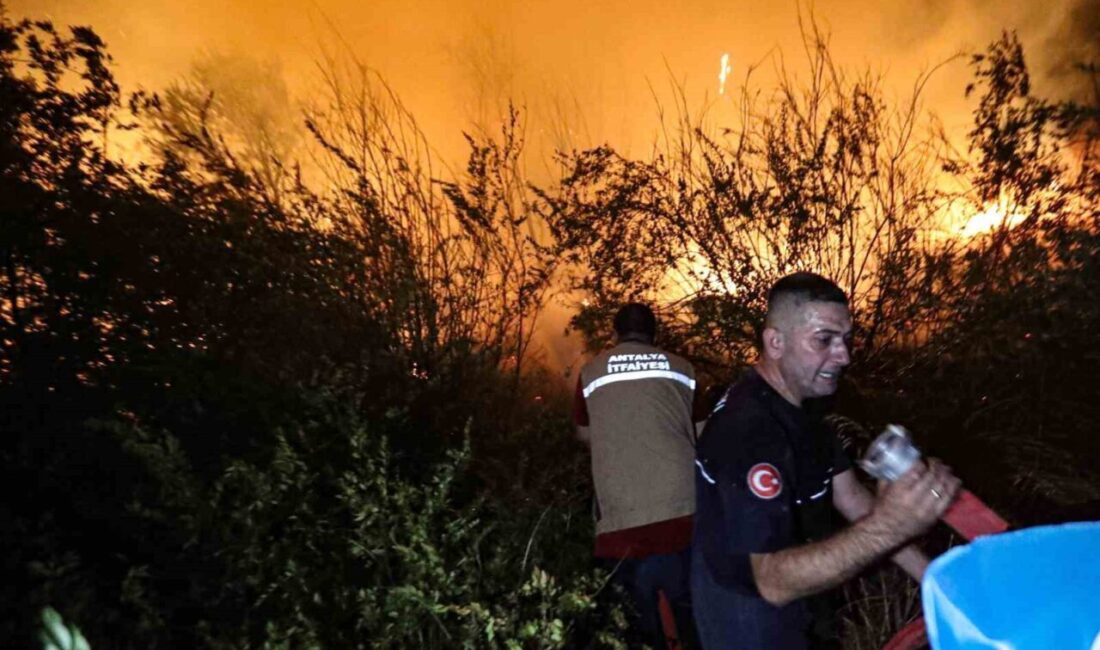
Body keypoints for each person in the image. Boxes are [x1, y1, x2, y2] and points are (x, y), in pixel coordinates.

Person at [691, 272, 961, 649]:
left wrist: (939, 580)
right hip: (750, 625)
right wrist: (892, 524)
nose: (844, 355)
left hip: (804, 615)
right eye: (824, 340)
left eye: (846, 340)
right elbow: (770, 580)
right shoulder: (748, 431)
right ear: (775, 342)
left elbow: (852, 498)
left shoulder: (804, 416)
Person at [574, 303, 699, 648]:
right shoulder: (683, 369)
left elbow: (584, 435)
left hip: (621, 520)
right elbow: (702, 431)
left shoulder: (590, 373)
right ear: (654, 335)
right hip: (683, 513)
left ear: (614, 335)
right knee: (691, 619)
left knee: (638, 628)